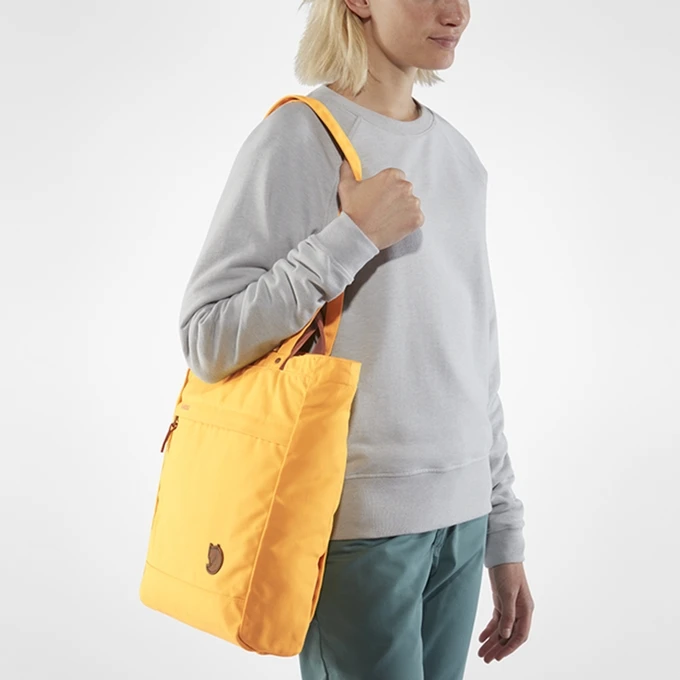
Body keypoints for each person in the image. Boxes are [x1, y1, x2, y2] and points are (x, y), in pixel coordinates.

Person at [179, 0, 534, 677]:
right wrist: (352, 238)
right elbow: (208, 338)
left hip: (462, 521)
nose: (456, 12)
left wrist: (502, 529)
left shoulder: (459, 157)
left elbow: (477, 355)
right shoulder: (300, 137)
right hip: (359, 525)